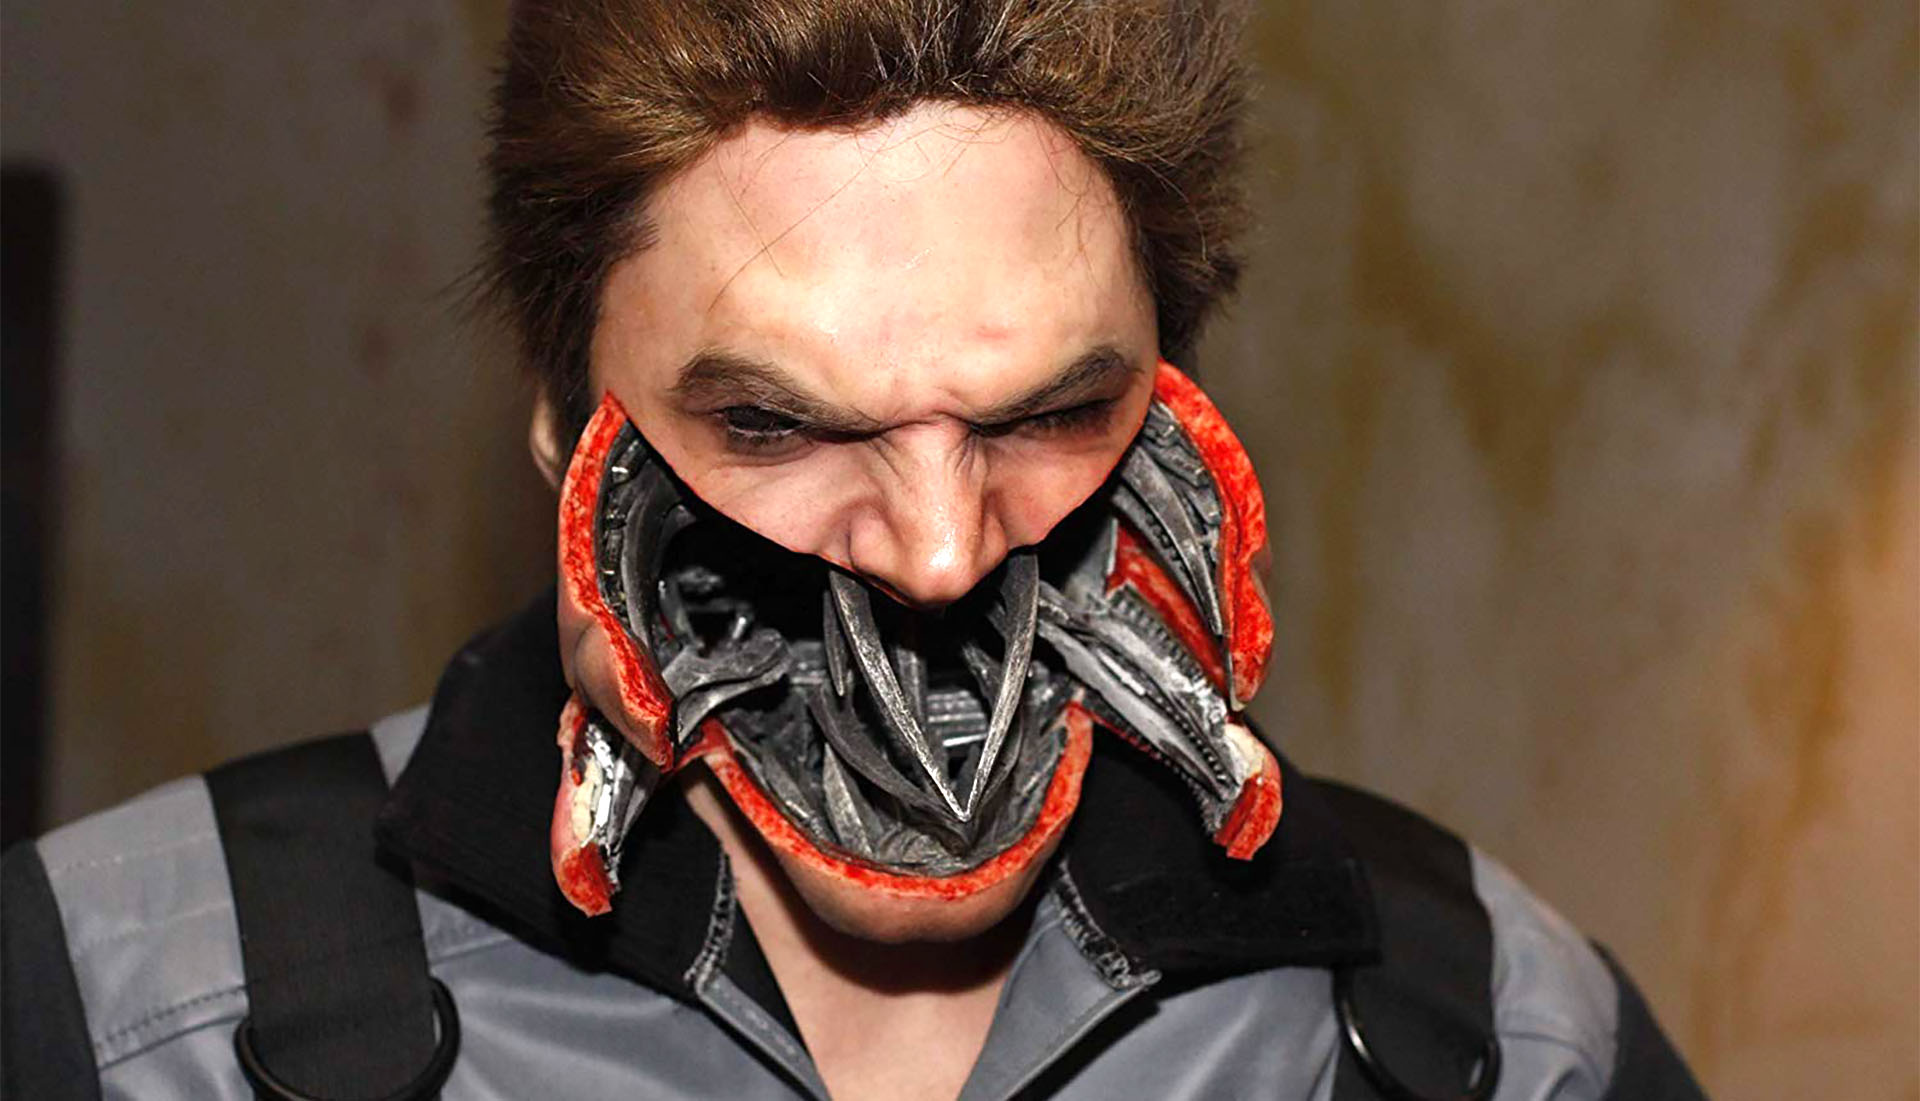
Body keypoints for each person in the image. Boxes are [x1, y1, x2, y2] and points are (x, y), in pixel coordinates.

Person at [1, 2, 1706, 1098]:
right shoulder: (129, 1010)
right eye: (774, 426)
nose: (943, 554)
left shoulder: (1498, 1030)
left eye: (1049, 413)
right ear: (559, 419)